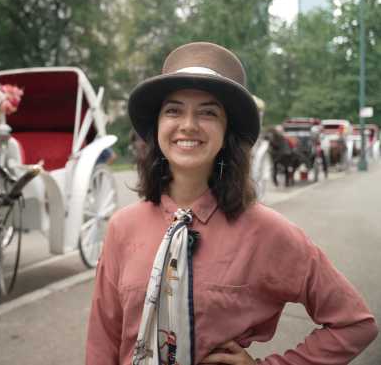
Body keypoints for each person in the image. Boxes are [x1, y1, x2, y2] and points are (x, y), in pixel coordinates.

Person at [86, 42, 377, 365]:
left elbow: (354, 324)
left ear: (227, 132)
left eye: (208, 112)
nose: (188, 125)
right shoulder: (123, 227)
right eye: (173, 110)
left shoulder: (267, 232)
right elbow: (103, 341)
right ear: (157, 126)